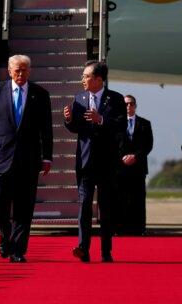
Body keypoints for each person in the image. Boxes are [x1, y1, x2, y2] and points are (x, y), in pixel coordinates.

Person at [0, 54, 53, 263]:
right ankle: (5, 234)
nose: (21, 74)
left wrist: (47, 157)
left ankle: (18, 250)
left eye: (24, 70)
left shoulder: (40, 94)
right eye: (17, 70)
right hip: (1, 157)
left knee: (24, 206)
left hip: (28, 159)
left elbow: (46, 130)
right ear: (9, 71)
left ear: (29, 71)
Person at [63, 61, 126, 263]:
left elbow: (121, 126)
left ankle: (106, 251)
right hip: (85, 162)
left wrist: (101, 120)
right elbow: (76, 128)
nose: (83, 79)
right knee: (84, 206)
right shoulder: (79, 98)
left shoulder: (115, 99)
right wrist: (69, 119)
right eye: (82, 76)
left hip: (107, 163)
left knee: (105, 208)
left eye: (86, 76)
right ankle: (83, 248)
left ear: (99, 79)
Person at [116, 93, 153, 236]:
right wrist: (122, 158)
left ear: (135, 106)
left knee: (138, 199)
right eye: (126, 104)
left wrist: (135, 157)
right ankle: (120, 228)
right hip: (120, 168)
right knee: (120, 198)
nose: (129, 106)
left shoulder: (145, 124)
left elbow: (148, 145)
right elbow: (112, 144)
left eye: (131, 104)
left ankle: (139, 228)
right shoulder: (116, 123)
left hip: (138, 167)